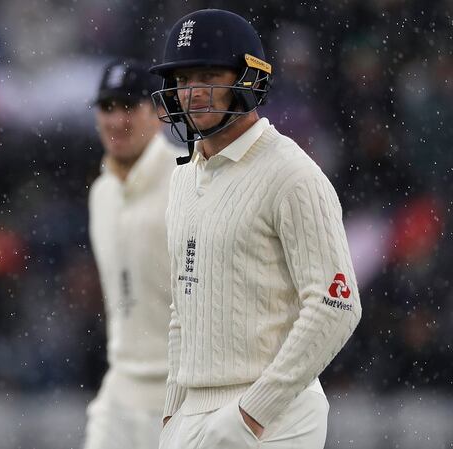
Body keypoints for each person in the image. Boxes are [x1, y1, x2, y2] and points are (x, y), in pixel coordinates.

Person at [148, 9, 362, 449]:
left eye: (209, 75)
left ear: (248, 79)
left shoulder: (292, 174)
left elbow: (335, 305)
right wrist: (172, 410)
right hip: (191, 412)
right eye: (184, 80)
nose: (193, 93)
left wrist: (253, 412)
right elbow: (182, 306)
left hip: (272, 416)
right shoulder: (184, 178)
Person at [84, 59, 184, 449]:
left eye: (129, 106)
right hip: (121, 387)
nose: (116, 120)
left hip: (182, 391)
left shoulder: (186, 181)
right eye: (107, 107)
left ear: (159, 112)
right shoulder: (102, 193)